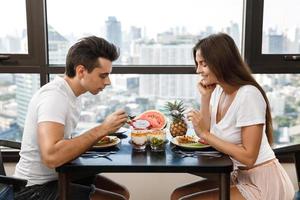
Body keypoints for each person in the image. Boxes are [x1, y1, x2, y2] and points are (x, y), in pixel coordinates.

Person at [171, 33, 295, 200]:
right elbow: (206, 131)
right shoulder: (218, 90)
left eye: (203, 64)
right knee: (177, 195)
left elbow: (248, 157)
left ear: (220, 63)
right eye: (197, 64)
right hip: (239, 176)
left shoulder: (248, 95)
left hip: (264, 183)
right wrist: (205, 98)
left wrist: (205, 134)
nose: (198, 70)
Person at [14, 36, 130, 200]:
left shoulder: (75, 94)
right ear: (81, 71)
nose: (108, 82)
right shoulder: (54, 97)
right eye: (103, 76)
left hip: (58, 177)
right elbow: (52, 157)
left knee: (121, 192)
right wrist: (102, 129)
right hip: (33, 190)